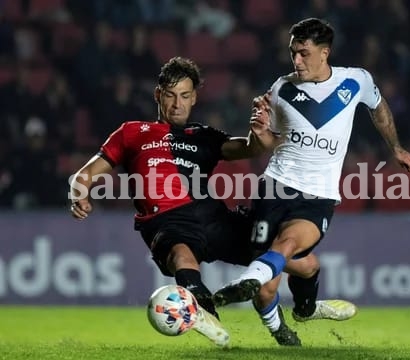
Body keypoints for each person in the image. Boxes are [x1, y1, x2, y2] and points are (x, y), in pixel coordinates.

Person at [69, 56, 344, 347]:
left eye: (185, 96)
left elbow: (252, 148)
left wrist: (261, 131)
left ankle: (306, 309)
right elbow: (83, 175)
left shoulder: (204, 136)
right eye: (171, 96)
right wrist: (79, 195)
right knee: (182, 257)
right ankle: (202, 312)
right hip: (166, 220)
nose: (178, 104)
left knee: (307, 264)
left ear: (194, 98)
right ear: (158, 95)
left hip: (213, 218)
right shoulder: (131, 133)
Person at [212, 18, 410, 323]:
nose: (296, 60)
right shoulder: (282, 88)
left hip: (317, 194)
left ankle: (246, 283)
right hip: (274, 187)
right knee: (270, 288)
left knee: (288, 244)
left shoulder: (355, 81)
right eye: (293, 52)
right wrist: (258, 130)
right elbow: (270, 141)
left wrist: (396, 147)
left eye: (304, 53)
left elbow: (378, 107)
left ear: (325, 52)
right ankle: (287, 324)